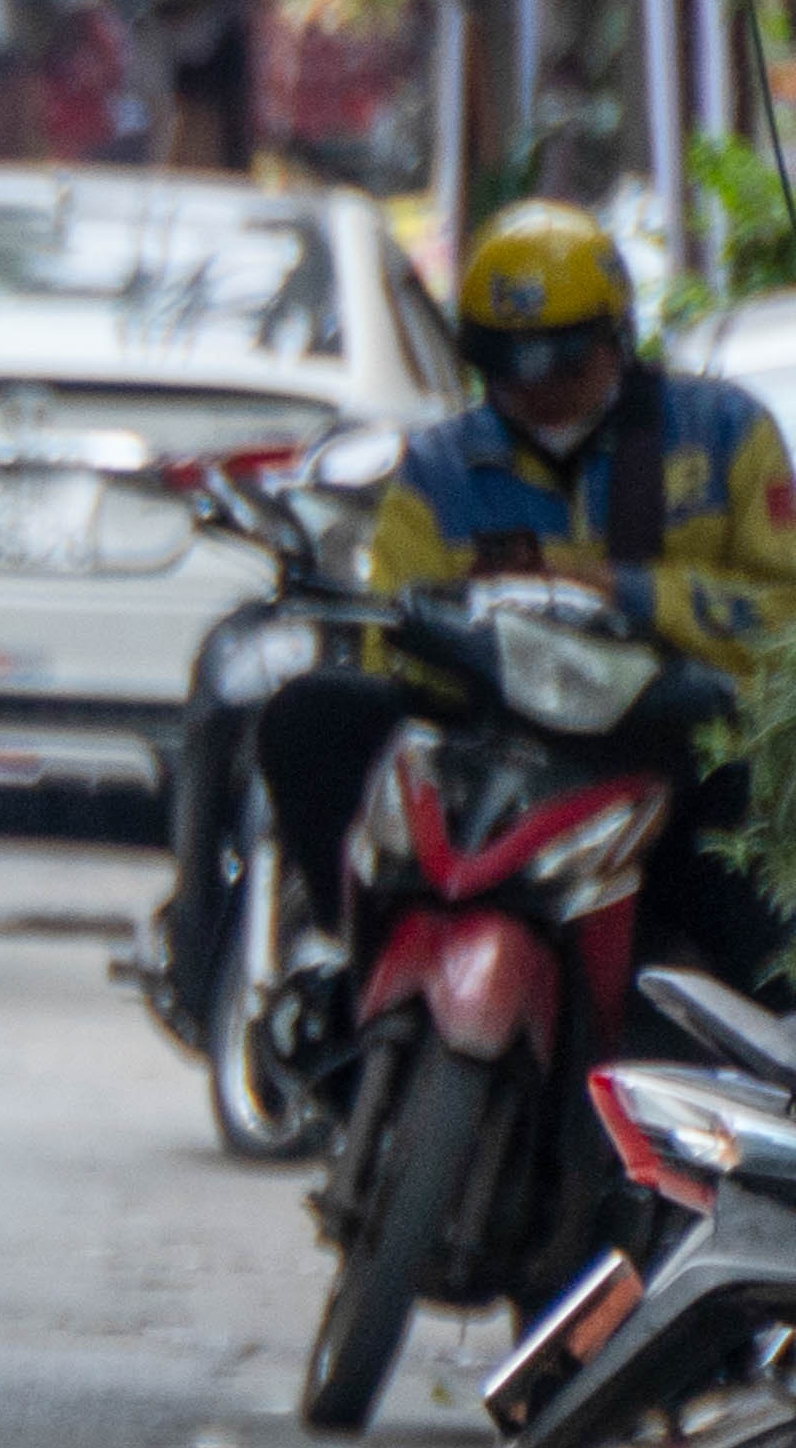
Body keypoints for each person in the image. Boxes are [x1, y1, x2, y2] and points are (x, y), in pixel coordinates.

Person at [243, 202, 796, 995]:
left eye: (565, 365)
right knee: (312, 713)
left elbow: (782, 617)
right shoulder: (439, 469)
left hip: (671, 742)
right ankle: (355, 959)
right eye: (509, 368)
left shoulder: (725, 436)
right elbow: (389, 630)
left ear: (617, 339)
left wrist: (630, 591)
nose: (538, 391)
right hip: (485, 745)